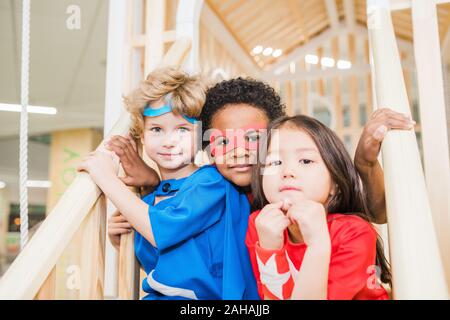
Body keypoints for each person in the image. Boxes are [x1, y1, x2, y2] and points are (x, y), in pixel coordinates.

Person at [78, 67, 259, 300]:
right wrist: (121, 242)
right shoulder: (150, 200)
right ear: (142, 136)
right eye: (156, 129)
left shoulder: (212, 182)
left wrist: (107, 179)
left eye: (183, 130)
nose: (169, 142)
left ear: (203, 136)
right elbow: (162, 268)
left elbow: (161, 231)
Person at [245, 115, 391, 300]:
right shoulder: (261, 225)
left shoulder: (355, 232)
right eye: (275, 162)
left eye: (305, 161)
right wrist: (270, 249)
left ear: (334, 185)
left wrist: (318, 244)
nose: (287, 172)